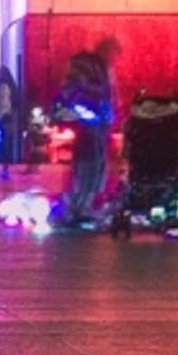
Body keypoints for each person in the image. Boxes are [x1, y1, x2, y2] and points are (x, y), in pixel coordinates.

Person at [59, 39, 118, 224]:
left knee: (96, 166)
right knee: (87, 165)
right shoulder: (87, 66)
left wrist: (107, 117)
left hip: (98, 126)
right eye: (113, 53)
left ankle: (84, 205)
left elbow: (108, 96)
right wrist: (89, 111)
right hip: (89, 126)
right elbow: (71, 91)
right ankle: (77, 206)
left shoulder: (103, 68)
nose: (115, 58)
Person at [0, 64, 23, 180]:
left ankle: (1, 168)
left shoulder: (3, 87)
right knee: (2, 144)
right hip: (4, 118)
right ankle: (0, 167)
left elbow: (4, 104)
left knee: (0, 144)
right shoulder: (3, 86)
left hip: (2, 119)